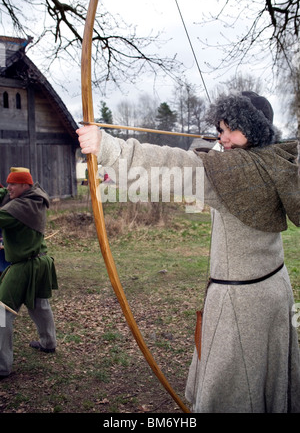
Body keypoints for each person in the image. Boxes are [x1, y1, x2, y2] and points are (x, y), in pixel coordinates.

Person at [76, 91, 300, 413]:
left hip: (241, 307)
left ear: (252, 130)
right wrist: (210, 151)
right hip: (275, 294)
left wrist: (109, 148)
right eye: (219, 129)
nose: (221, 137)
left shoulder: (236, 175)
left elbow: (175, 168)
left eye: (228, 129)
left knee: (235, 396)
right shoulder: (273, 163)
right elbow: (210, 164)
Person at [0, 167, 58, 379]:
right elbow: (6, 194)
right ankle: (48, 343)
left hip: (24, 266)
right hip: (42, 261)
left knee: (1, 312)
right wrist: (6, 191)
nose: (9, 188)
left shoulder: (18, 209)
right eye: (7, 184)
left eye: (13, 184)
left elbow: (3, 212)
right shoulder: (35, 197)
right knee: (40, 305)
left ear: (24, 185)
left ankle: (2, 367)